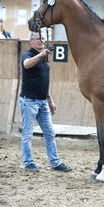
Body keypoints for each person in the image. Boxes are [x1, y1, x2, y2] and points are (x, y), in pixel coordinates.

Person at [19, 31, 72, 172]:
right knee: (27, 134)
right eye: (38, 39)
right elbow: (26, 64)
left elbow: (44, 81)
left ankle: (55, 162)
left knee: (49, 133)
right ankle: (28, 162)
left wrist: (50, 100)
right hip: (29, 101)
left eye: (42, 38)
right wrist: (41, 55)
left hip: (43, 102)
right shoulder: (28, 54)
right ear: (31, 41)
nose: (41, 41)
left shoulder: (44, 59)